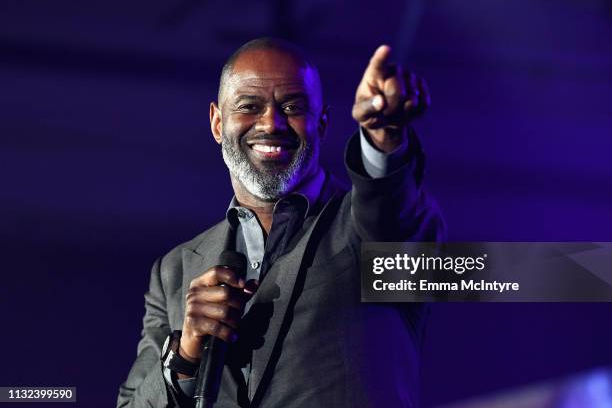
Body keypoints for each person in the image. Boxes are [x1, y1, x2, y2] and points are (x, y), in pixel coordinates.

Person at [117, 37, 445, 408]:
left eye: (292, 106)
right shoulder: (174, 272)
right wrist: (186, 354)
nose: (271, 123)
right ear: (217, 123)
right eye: (249, 106)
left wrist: (383, 139)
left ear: (322, 124)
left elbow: (393, 215)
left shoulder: (366, 229)